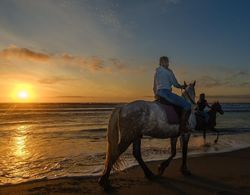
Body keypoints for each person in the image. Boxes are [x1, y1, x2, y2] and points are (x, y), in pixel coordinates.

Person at [153, 56, 191, 133]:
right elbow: (175, 84)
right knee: (187, 105)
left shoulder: (157, 71)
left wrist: (156, 94)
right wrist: (182, 86)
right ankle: (182, 126)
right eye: (167, 61)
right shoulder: (169, 71)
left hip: (158, 93)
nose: (167, 63)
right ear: (165, 62)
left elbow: (154, 86)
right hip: (166, 93)